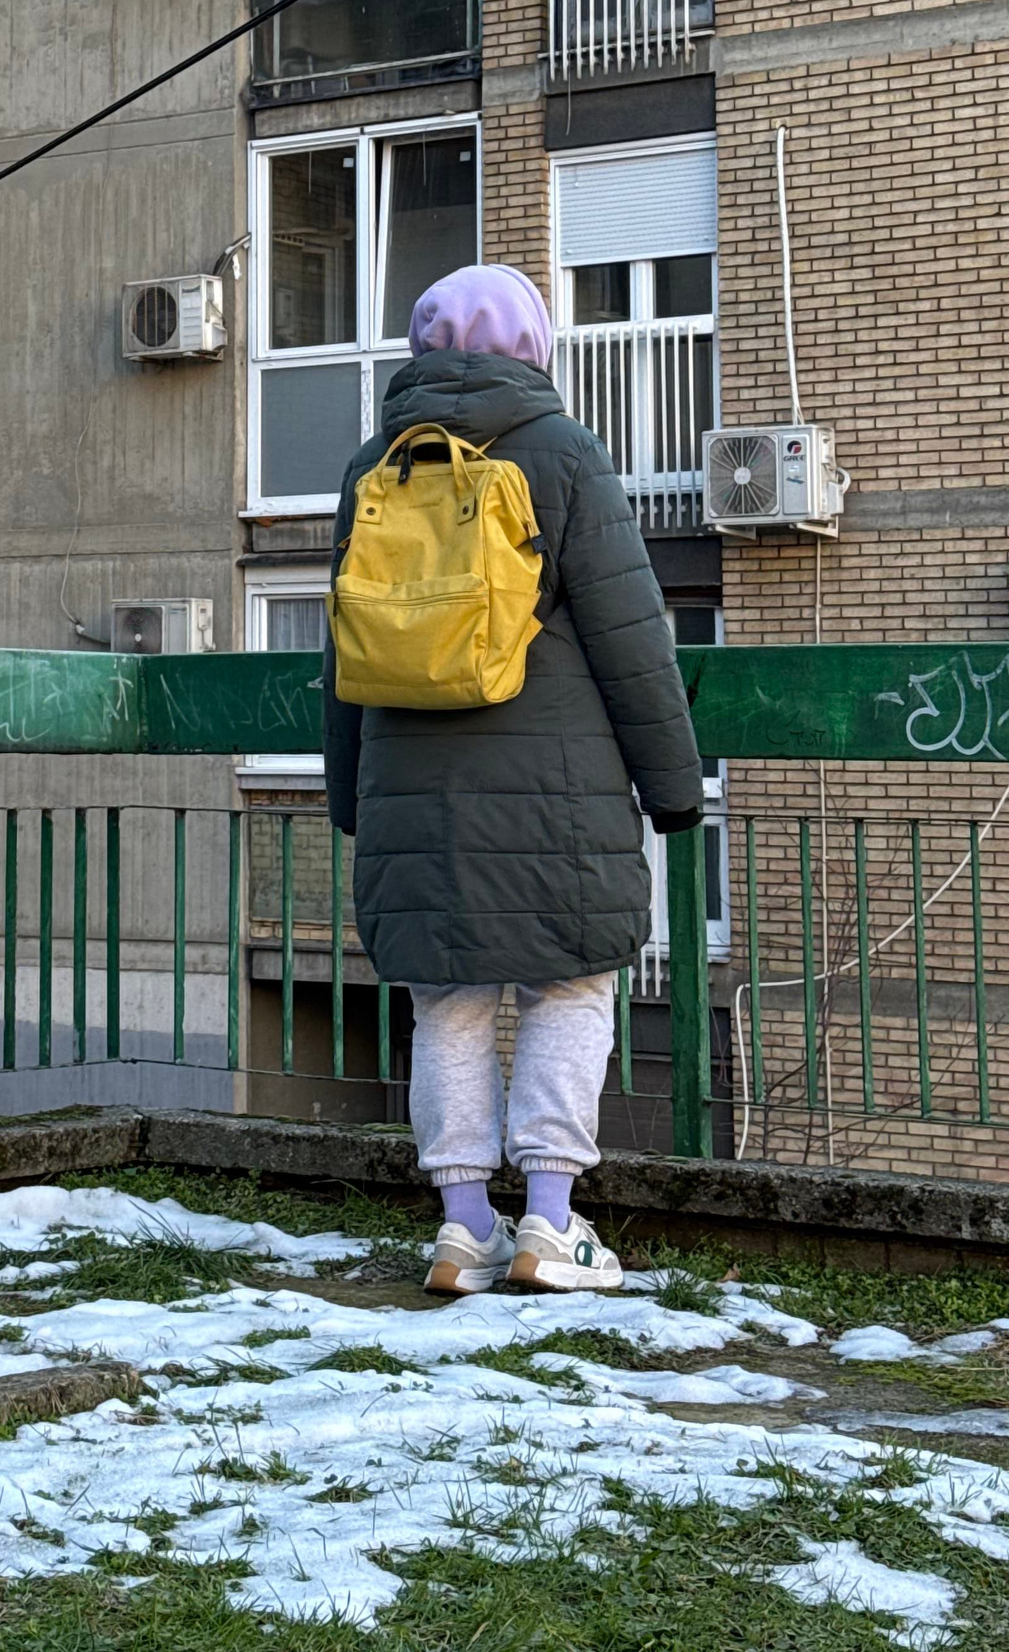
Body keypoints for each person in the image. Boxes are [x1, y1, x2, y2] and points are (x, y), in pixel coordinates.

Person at [323, 261, 704, 1295]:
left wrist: (350, 796)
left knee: (447, 1001)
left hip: (412, 797)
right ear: (534, 347)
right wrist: (675, 789)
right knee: (569, 987)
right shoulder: (564, 454)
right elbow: (633, 641)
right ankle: (549, 1222)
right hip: (558, 798)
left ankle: (462, 1231)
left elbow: (341, 653)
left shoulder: (373, 466)